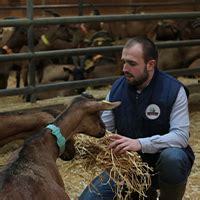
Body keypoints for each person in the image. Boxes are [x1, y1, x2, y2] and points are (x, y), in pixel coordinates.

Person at [79, 36, 195, 200]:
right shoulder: (117, 88)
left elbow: (181, 137)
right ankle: (143, 194)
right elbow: (106, 132)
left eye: (132, 64)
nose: (125, 68)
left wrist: (140, 144)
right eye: (124, 62)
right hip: (127, 167)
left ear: (150, 65)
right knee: (88, 199)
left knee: (173, 158)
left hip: (161, 165)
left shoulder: (174, 90)